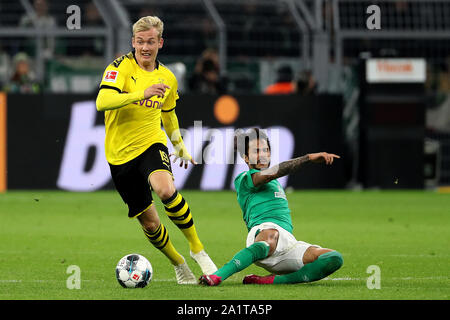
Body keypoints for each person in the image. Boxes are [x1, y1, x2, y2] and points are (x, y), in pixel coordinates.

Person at [96, 16, 217, 284]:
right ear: (133, 42)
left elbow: (169, 115)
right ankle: (179, 263)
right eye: (140, 42)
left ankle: (197, 249)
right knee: (150, 224)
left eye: (151, 41)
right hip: (119, 155)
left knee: (165, 190)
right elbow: (102, 102)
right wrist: (142, 94)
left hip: (151, 142)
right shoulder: (119, 68)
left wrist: (180, 147)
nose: (145, 47)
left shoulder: (167, 78)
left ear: (160, 43)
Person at [199, 128, 343, 286]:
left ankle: (272, 281)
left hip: (287, 244)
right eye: (256, 151)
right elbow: (274, 172)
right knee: (271, 235)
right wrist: (308, 158)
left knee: (333, 258)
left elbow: (273, 174)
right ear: (246, 158)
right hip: (263, 235)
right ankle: (217, 276)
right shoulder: (245, 180)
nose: (262, 155)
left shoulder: (274, 184)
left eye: (266, 150)